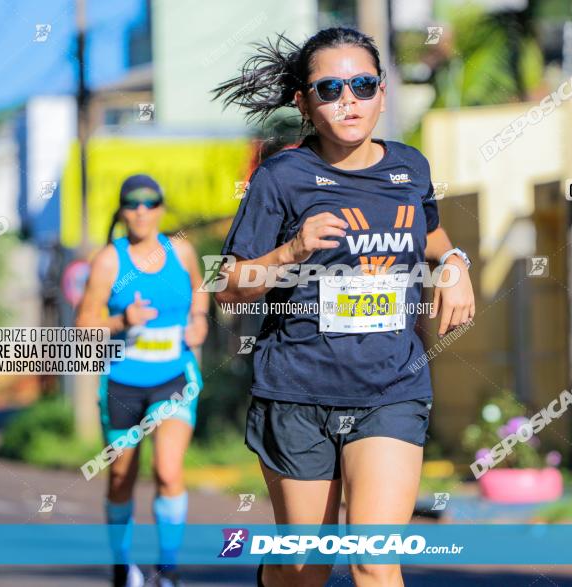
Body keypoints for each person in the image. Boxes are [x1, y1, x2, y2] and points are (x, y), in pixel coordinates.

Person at [211, 27, 475, 587]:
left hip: (391, 388)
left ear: (383, 92)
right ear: (304, 103)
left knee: (374, 560)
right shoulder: (281, 178)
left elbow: (427, 232)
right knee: (306, 568)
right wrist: (293, 249)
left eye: (362, 84)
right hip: (298, 391)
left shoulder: (410, 169)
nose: (348, 100)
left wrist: (454, 262)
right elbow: (229, 282)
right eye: (330, 88)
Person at [76, 174, 209, 587]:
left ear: (161, 208)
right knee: (120, 478)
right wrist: (120, 320)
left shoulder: (181, 251)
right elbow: (82, 327)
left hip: (173, 377)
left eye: (150, 203)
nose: (141, 211)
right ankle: (121, 564)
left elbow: (200, 288)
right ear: (121, 211)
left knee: (168, 472)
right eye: (132, 203)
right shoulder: (109, 261)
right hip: (123, 382)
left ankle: (167, 570)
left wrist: (199, 320)